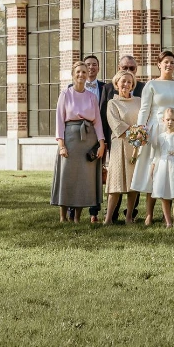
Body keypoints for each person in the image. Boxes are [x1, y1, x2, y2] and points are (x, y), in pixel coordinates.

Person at [130, 51, 174, 225]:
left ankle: (167, 215)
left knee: (171, 170)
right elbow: (144, 110)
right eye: (166, 62)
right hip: (155, 131)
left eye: (172, 62)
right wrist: (140, 132)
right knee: (153, 170)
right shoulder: (151, 84)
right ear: (159, 64)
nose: (169, 65)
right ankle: (149, 214)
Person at [51, 61, 106, 223]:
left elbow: (97, 122)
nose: (81, 75)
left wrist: (101, 143)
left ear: (87, 75)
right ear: (73, 74)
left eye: (84, 72)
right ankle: (63, 217)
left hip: (88, 141)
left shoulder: (91, 97)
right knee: (67, 176)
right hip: (70, 140)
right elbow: (59, 121)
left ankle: (77, 218)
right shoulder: (65, 94)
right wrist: (61, 145)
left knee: (84, 178)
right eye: (78, 72)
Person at [100, 55, 144, 223]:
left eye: (129, 82)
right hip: (119, 145)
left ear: (133, 85)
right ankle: (108, 218)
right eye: (123, 81)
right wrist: (135, 131)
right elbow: (116, 124)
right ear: (117, 84)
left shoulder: (139, 101)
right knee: (115, 183)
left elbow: (144, 120)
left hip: (135, 146)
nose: (126, 84)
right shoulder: (113, 103)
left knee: (134, 183)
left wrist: (141, 134)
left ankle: (129, 217)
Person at [80, 55, 105, 224]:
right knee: (78, 172)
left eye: (94, 64)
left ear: (98, 68)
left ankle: (94, 212)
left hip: (99, 135)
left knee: (96, 174)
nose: (91, 67)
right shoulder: (72, 88)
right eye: (88, 64)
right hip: (80, 136)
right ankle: (73, 210)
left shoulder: (106, 87)